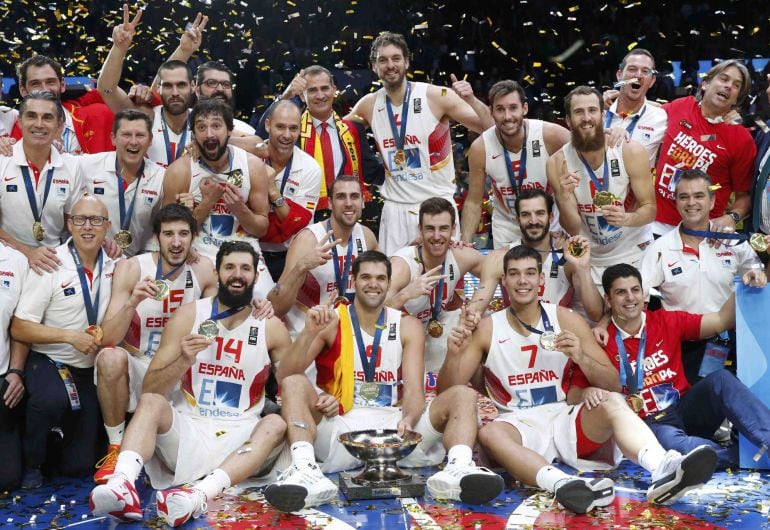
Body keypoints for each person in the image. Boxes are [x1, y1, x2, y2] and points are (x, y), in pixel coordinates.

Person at [439, 245, 718, 514]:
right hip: (518, 422)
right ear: (504, 280)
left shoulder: (566, 319)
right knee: (490, 433)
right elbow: (447, 393)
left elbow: (612, 381)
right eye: (514, 273)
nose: (522, 280)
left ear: (540, 280)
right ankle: (563, 485)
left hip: (565, 416)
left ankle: (663, 468)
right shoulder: (487, 328)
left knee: (612, 400)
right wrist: (454, 353)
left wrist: (581, 356)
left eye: (529, 273)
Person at [264, 250, 503, 512]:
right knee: (294, 384)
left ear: (389, 283)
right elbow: (285, 374)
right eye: (366, 277)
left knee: (463, 394)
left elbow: (414, 388)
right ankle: (305, 471)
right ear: (353, 281)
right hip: (341, 425)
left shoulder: (407, 325)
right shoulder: (332, 320)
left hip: (395, 428)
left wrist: (409, 420)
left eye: (380, 278)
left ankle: (458, 470)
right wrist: (309, 332)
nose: (373, 284)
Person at [89, 241, 295, 527]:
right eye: (230, 267)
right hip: (189, 433)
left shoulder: (270, 326)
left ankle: (197, 496)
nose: (238, 274)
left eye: (245, 268)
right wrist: (183, 360)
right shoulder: (189, 316)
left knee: (275, 424)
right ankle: (122, 484)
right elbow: (151, 388)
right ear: (217, 271)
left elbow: (291, 384)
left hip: (240, 437)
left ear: (256, 276)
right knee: (151, 403)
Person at [597, 263, 770, 469]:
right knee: (677, 447)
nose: (630, 298)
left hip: (683, 409)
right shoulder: (599, 340)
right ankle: (742, 458)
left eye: (635, 290)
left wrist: (743, 285)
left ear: (643, 293)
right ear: (608, 300)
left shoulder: (666, 320)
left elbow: (721, 320)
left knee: (721, 379)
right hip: (648, 424)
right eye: (620, 292)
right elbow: (575, 393)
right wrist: (589, 391)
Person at [91, 204, 217, 484]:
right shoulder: (133, 268)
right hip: (139, 362)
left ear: (193, 237)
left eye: (183, 234)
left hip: (178, 368)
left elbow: (219, 322)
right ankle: (115, 447)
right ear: (156, 238)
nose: (176, 242)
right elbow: (108, 338)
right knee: (110, 358)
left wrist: (260, 306)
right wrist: (132, 303)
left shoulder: (204, 270)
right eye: (168, 234)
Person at [346, 32, 494, 254]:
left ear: (406, 61)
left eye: (396, 58)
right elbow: (334, 133)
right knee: (395, 287)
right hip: (395, 212)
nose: (390, 65)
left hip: (438, 210)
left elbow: (491, 127)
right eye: (382, 60)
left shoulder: (436, 96)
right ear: (373, 66)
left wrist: (472, 99)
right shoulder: (368, 105)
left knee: (444, 286)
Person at [11, 196, 118, 488]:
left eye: (96, 220)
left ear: (107, 227)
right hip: (49, 359)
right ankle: (31, 462)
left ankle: (56, 441)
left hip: (88, 368)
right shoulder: (50, 263)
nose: (87, 227)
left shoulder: (117, 266)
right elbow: (19, 327)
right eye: (80, 219)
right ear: (69, 224)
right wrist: (70, 337)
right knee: (51, 399)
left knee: (78, 467)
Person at [639, 169, 766, 382]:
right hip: (682, 348)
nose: (691, 203)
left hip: (731, 343)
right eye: (684, 197)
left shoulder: (731, 241)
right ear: (676, 202)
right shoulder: (659, 249)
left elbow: (755, 267)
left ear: (712, 199)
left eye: (699, 196)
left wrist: (757, 273)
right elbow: (638, 299)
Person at [547, 85, 656, 290]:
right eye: (579, 112)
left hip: (633, 251)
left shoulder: (629, 151)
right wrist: (562, 196)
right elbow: (571, 227)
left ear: (603, 114)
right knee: (594, 319)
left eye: (592, 110)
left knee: (631, 318)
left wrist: (626, 218)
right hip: (590, 256)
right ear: (568, 120)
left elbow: (650, 209)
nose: (586, 118)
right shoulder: (557, 163)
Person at [161, 99, 273, 295]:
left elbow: (261, 228)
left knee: (266, 305)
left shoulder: (252, 166)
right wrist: (208, 202)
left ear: (229, 130)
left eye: (216, 126)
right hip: (196, 255)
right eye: (201, 127)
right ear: (194, 134)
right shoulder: (179, 171)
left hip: (244, 252)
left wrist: (240, 208)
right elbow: (169, 235)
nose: (209, 134)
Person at [253, 65, 384, 224]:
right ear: (302, 94)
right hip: (298, 217)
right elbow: (260, 137)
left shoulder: (353, 130)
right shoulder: (292, 130)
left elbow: (371, 171)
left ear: (334, 89)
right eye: (312, 90)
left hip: (344, 218)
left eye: (324, 88)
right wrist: (286, 97)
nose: (320, 95)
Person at [461, 80, 570, 248]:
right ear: (491, 112)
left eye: (513, 108)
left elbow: (588, 151)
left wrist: (609, 132)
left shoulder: (551, 135)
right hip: (507, 228)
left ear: (524, 108)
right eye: (500, 109)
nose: (507, 116)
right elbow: (474, 201)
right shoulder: (480, 148)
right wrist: (465, 244)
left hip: (550, 225)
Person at [653, 60, 756, 235]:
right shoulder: (681, 106)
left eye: (736, 85)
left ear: (737, 99)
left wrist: (731, 217)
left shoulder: (742, 140)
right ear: (705, 83)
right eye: (724, 79)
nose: (729, 86)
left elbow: (744, 197)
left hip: (701, 233)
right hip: (653, 223)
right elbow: (648, 112)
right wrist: (615, 103)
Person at [386, 197, 485, 378]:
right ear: (420, 230)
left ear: (454, 230)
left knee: (477, 326)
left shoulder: (459, 255)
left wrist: (477, 305)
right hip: (400, 344)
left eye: (444, 228)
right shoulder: (403, 265)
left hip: (435, 335)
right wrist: (405, 295)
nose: (437, 236)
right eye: (430, 229)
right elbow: (371, 313)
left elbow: (497, 269)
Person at [469, 189, 604, 321]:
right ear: (517, 219)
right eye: (526, 214)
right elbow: (477, 307)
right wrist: (470, 317)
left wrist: (583, 269)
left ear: (550, 217)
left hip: (559, 338)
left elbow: (596, 314)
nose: (533, 221)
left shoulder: (569, 257)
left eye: (540, 213)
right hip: (514, 338)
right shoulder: (499, 258)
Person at [97, 5, 207, 167]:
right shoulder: (145, 117)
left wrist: (185, 50)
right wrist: (119, 48)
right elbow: (107, 89)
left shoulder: (205, 122)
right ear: (158, 88)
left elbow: (248, 139)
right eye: (168, 86)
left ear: (193, 87)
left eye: (181, 85)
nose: (175, 92)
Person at [270, 176, 378, 338]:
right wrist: (302, 266)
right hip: (306, 336)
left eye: (354, 196)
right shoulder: (308, 239)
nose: (348, 203)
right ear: (329, 203)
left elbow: (383, 286)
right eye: (341, 197)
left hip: (347, 337)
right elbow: (275, 307)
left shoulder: (367, 237)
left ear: (363, 202)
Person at [0, 91, 87, 274]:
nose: (39, 124)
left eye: (47, 118)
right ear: (20, 122)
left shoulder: (71, 166)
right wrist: (28, 252)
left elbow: (73, 221)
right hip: (6, 256)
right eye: (31, 116)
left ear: (60, 126)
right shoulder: (2, 161)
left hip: (53, 258)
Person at [78, 109, 166, 257]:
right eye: (126, 135)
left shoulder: (161, 177)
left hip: (135, 260)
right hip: (94, 255)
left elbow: (162, 225)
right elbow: (57, 161)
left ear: (150, 140)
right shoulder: (87, 165)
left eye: (140, 135)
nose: (133, 141)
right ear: (113, 138)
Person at [258, 100, 322, 281]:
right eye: (280, 127)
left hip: (289, 255)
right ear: (267, 125)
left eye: (293, 128)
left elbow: (297, 224)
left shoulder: (310, 168)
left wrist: (273, 192)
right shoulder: (249, 158)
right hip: (250, 251)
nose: (287, 135)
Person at [0, 55, 115, 155]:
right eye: (35, 84)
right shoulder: (13, 129)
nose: (44, 89)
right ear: (23, 90)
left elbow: (108, 92)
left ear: (62, 85)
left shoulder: (100, 116)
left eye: (50, 82)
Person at [604, 48, 668, 168]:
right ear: (619, 75)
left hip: (638, 186)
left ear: (652, 81)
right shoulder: (597, 113)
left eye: (645, 71)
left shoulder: (662, 117)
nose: (638, 75)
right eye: (632, 69)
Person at [0, 241, 28, 491]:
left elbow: (21, 326)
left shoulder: (15, 261)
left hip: (2, 381)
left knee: (7, 480)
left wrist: (16, 371)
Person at [195, 61, 255, 135]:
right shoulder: (183, 123)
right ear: (197, 90)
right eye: (212, 83)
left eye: (226, 84)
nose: (220, 89)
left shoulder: (247, 130)